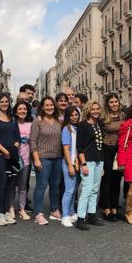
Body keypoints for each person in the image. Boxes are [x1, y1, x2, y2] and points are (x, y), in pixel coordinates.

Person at [0, 93, 20, 226]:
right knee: (1, 184)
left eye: (6, 101)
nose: (4, 104)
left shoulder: (12, 118)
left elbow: (17, 137)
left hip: (11, 156)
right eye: (2, 101)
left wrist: (14, 149)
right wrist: (5, 151)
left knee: (10, 186)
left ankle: (7, 212)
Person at [31, 96, 64, 225]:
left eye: (51, 105)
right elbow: (33, 141)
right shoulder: (38, 121)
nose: (49, 107)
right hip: (43, 158)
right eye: (47, 105)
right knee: (41, 186)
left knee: (55, 186)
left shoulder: (58, 121)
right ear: (42, 107)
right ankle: (38, 213)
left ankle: (54, 210)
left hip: (57, 158)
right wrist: (36, 159)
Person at [75, 100, 106, 230]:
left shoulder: (99, 123)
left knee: (95, 189)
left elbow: (100, 145)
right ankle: (80, 218)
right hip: (88, 160)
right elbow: (79, 146)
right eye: (93, 109)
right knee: (86, 190)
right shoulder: (82, 125)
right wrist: (84, 164)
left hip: (99, 160)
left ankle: (91, 214)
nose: (96, 111)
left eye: (97, 109)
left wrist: (103, 165)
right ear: (88, 110)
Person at [99, 93, 125, 222]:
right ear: (107, 104)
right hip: (107, 150)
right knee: (107, 180)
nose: (114, 104)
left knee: (117, 180)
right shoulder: (103, 117)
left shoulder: (123, 116)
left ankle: (114, 208)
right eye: (111, 102)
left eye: (116, 102)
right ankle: (105, 209)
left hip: (120, 150)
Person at [11, 101, 34, 221]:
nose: (22, 111)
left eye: (25, 109)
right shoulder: (12, 123)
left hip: (25, 160)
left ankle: (22, 209)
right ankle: (10, 207)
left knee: (23, 186)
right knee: (11, 185)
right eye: (20, 109)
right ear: (15, 111)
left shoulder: (31, 124)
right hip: (13, 159)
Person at [60, 106, 82, 227]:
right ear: (67, 117)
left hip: (78, 162)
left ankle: (72, 212)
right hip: (70, 162)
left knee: (74, 190)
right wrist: (70, 165)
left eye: (76, 114)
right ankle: (65, 215)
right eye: (71, 115)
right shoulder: (66, 129)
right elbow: (66, 149)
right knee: (69, 190)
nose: (74, 117)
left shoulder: (78, 128)